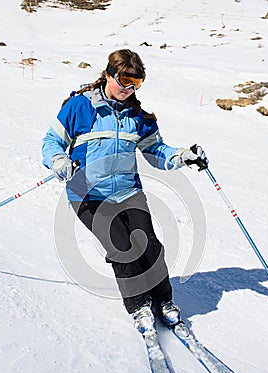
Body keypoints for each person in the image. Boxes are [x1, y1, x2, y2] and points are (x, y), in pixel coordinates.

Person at [42, 49, 208, 335]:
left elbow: (156, 151)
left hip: (128, 192)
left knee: (150, 246)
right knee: (123, 248)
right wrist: (58, 160)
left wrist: (183, 156)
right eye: (124, 80)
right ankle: (138, 305)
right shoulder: (79, 107)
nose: (128, 88)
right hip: (88, 195)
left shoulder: (138, 117)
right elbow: (51, 141)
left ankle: (163, 300)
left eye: (137, 83)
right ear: (108, 74)